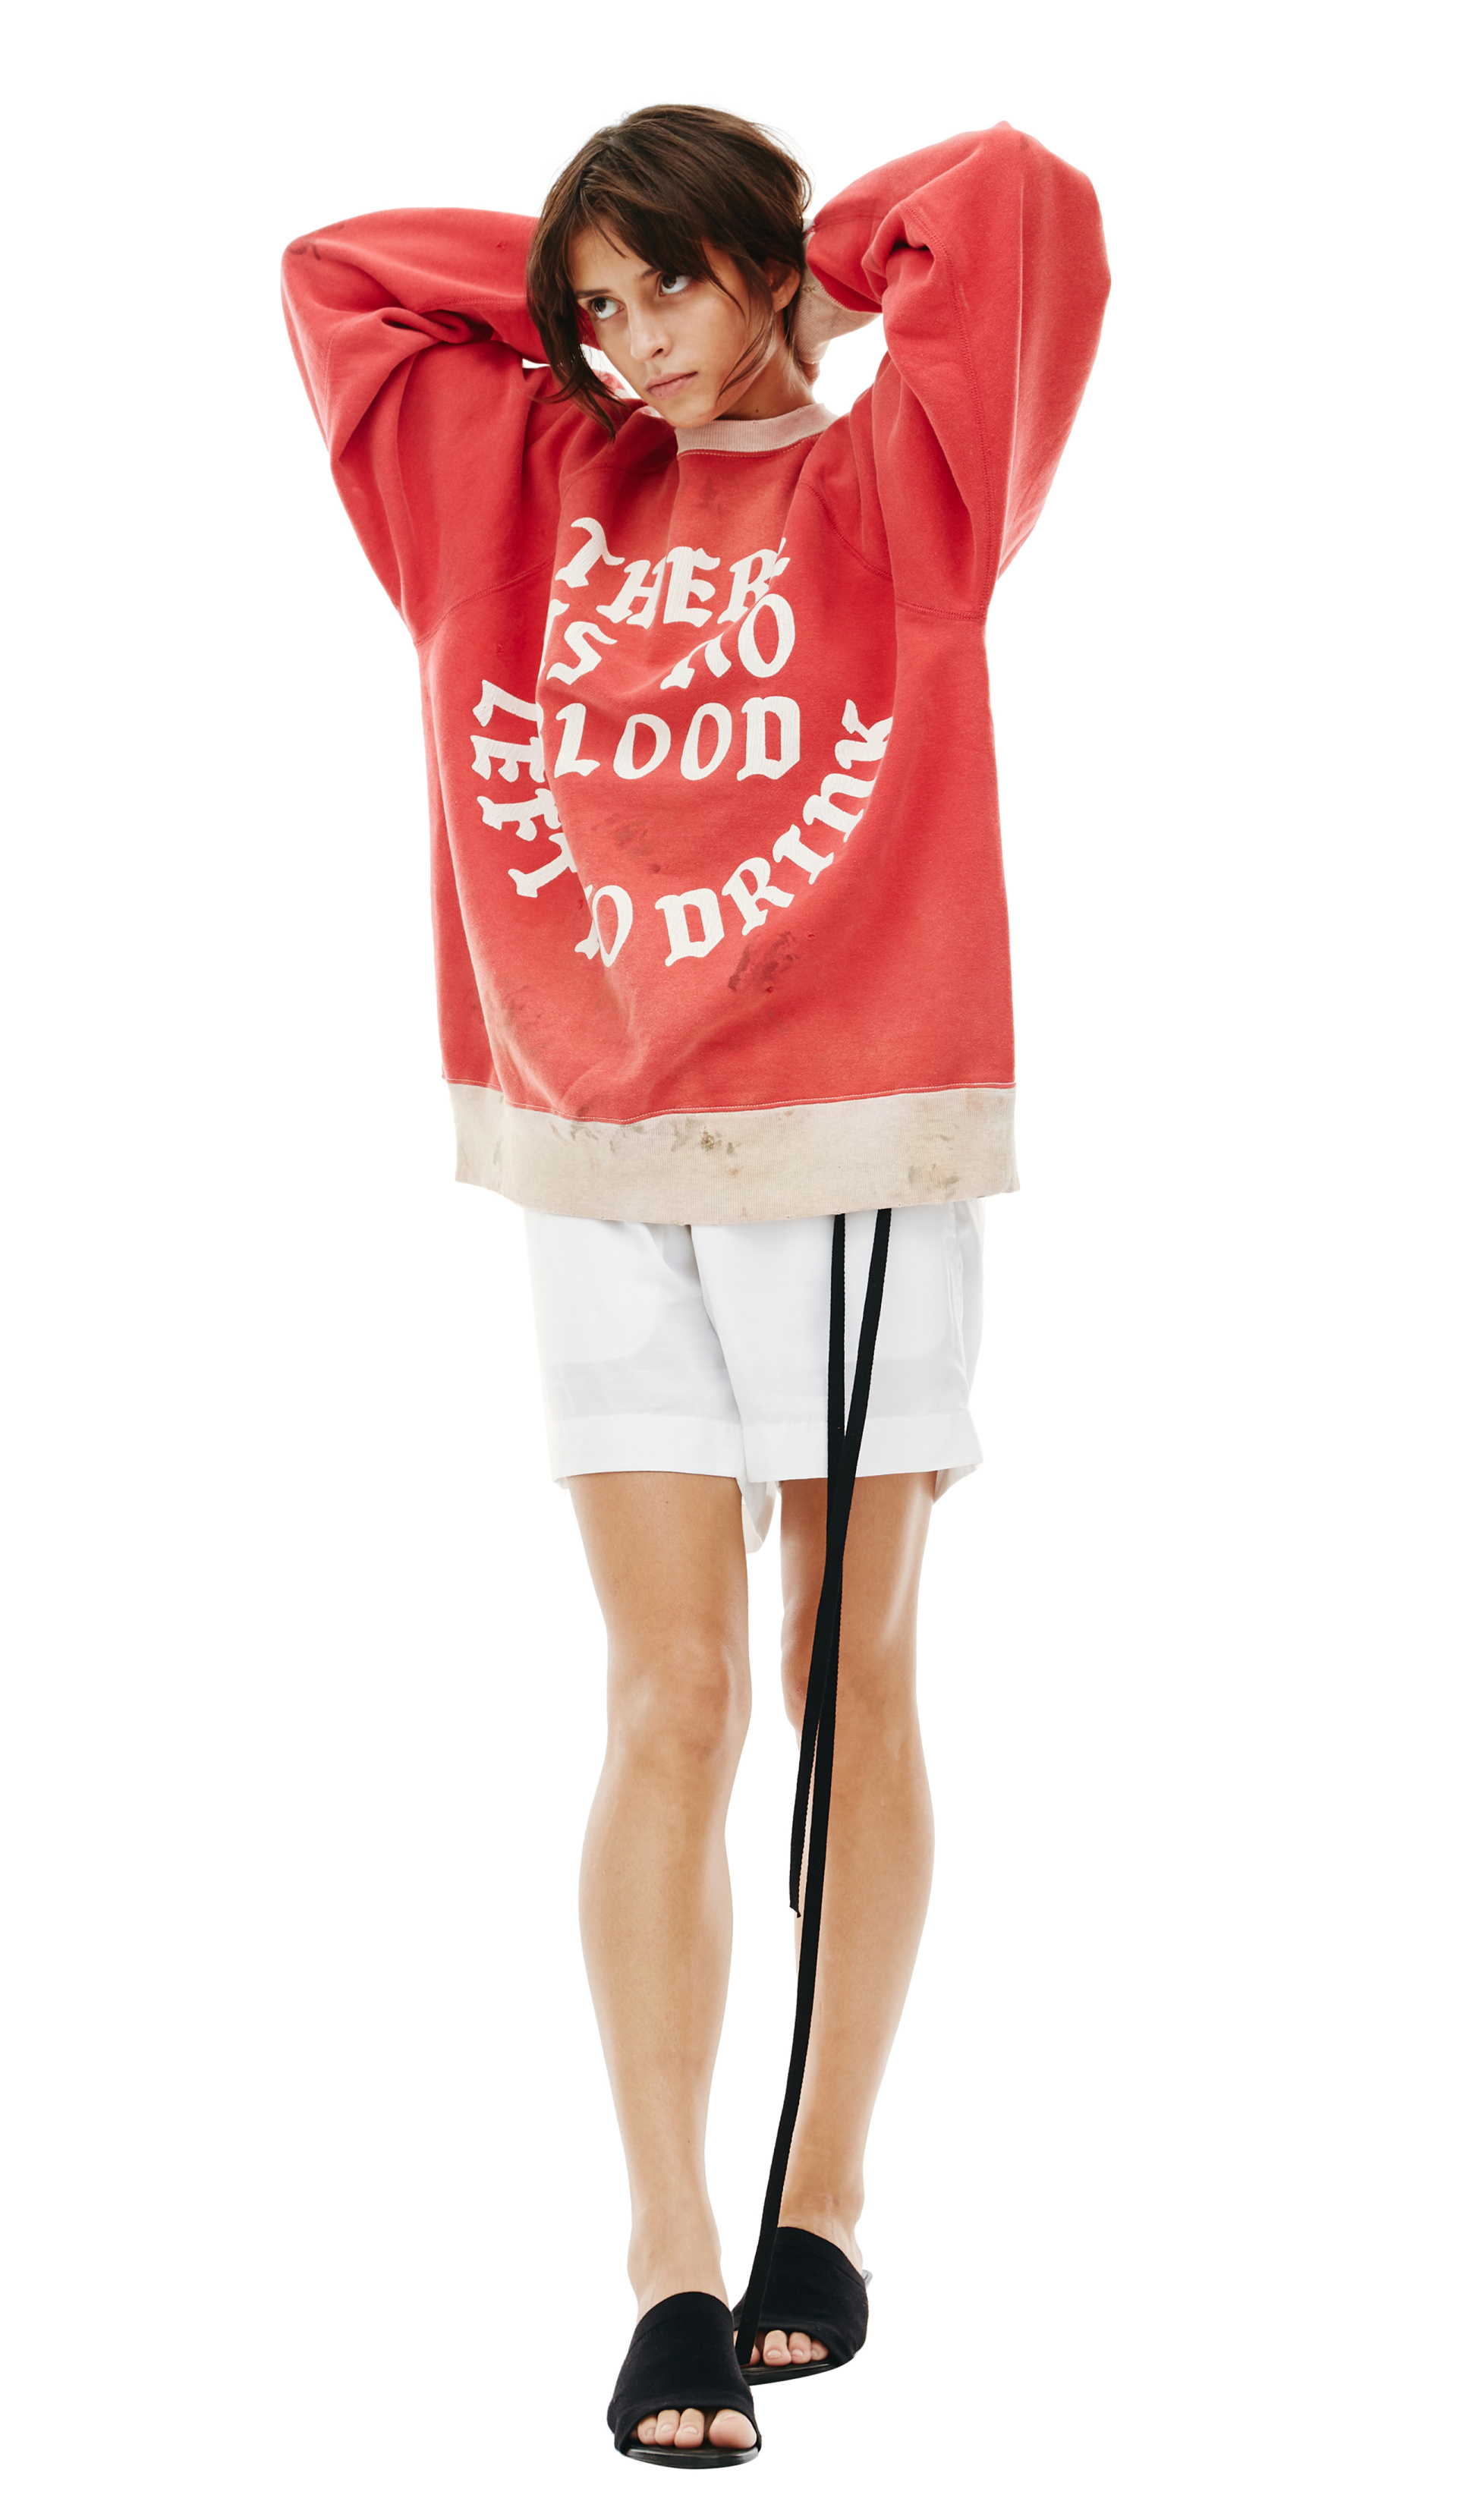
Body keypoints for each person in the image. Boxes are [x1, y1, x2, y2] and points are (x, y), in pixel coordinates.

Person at [282, 103, 1108, 2468]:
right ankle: (667, 2250)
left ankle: (818, 2201)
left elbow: (1017, 199)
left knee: (839, 1668)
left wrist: (803, 281)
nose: (625, 339)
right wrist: (605, 295)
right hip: (593, 1141)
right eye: (592, 305)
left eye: (665, 287)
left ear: (763, 267)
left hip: (855, 1134)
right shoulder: (516, 478)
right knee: (667, 1692)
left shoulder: (903, 481)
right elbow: (339, 272)